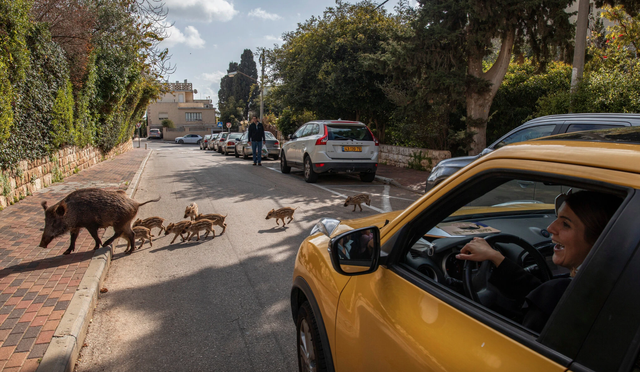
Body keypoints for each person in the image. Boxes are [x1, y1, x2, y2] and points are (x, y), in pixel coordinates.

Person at [456, 190, 621, 332]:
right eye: (557, 218)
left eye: (565, 224)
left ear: (599, 240)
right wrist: (496, 257)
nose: (550, 228)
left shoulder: (559, 294)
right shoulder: (614, 285)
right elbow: (541, 294)